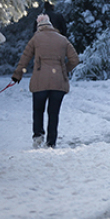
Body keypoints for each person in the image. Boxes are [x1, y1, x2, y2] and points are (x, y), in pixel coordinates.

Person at [12, 14, 79, 148]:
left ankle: (38, 136)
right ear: (50, 25)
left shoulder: (36, 38)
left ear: (39, 27)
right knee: (53, 113)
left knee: (38, 110)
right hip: (58, 82)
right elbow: (75, 60)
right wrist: (64, 70)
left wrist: (17, 74)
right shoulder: (63, 39)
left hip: (39, 81)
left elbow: (25, 57)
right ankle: (51, 142)